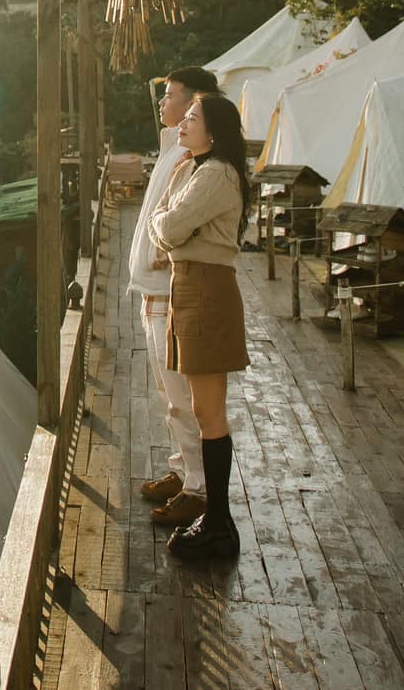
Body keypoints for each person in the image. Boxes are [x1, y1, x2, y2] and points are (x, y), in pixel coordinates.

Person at [149, 91, 252, 560]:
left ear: (215, 129)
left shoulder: (217, 174)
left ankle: (219, 522)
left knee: (209, 412)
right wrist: (167, 218)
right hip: (189, 285)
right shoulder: (192, 169)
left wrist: (165, 221)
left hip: (205, 288)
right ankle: (217, 518)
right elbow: (166, 221)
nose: (182, 123)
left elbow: (168, 229)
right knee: (199, 407)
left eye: (192, 117)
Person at [128, 66, 218, 528]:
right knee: (169, 396)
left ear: (194, 103)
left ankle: (199, 488)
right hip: (152, 293)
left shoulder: (197, 160)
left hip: (169, 294)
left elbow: (178, 223)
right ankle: (183, 470)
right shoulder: (171, 149)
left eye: (170, 96)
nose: (162, 104)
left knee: (183, 397)